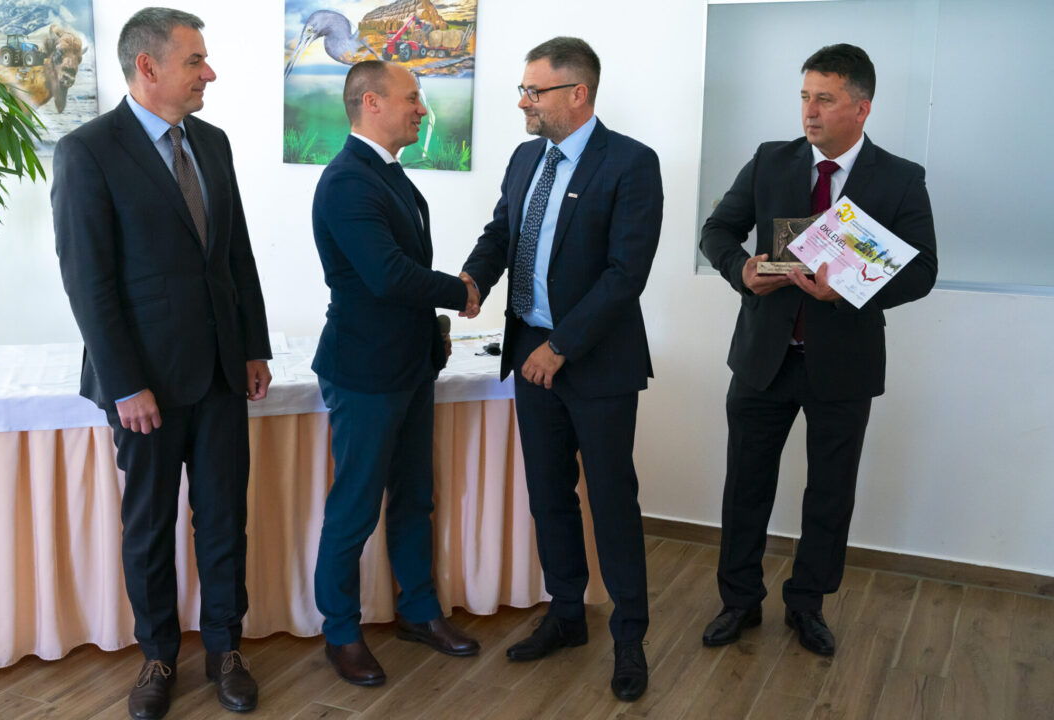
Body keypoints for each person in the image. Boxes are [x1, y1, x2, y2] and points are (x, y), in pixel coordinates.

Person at [51, 8, 271, 719]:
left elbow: (235, 255)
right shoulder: (87, 151)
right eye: (195, 61)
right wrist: (125, 385)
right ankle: (157, 656)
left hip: (221, 375)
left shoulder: (213, 142)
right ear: (148, 67)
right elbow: (89, 283)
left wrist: (253, 345)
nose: (210, 73)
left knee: (223, 520)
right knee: (148, 529)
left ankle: (225, 650)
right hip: (144, 386)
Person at [699, 44, 937, 657]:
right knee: (745, 485)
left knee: (830, 494)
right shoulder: (769, 160)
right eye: (805, 97)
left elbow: (922, 272)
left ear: (861, 107)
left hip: (843, 365)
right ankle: (739, 600)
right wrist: (740, 269)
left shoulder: (900, 177)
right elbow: (717, 231)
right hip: (763, 359)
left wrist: (851, 287)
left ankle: (807, 605)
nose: (809, 111)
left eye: (824, 99)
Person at [461, 37, 663, 702]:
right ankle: (567, 614)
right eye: (522, 89)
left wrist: (562, 346)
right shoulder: (526, 159)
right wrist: (473, 280)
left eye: (534, 91)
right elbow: (502, 232)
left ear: (578, 94)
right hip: (530, 354)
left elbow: (625, 274)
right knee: (549, 495)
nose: (523, 101)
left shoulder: (631, 163)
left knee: (611, 500)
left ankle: (629, 637)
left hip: (595, 362)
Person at [310, 60, 481, 688]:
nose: (422, 109)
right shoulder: (346, 181)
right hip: (364, 370)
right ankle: (340, 632)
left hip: (410, 366)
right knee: (354, 508)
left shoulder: (388, 174)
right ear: (371, 103)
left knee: (415, 498)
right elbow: (386, 275)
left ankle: (418, 612)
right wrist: (459, 292)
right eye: (412, 97)